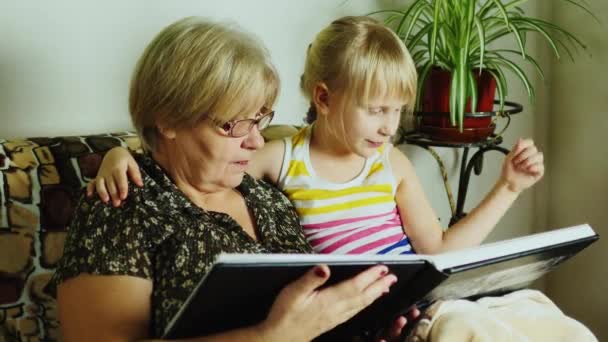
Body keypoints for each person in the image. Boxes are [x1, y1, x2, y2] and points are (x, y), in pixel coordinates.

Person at [49, 17, 413, 342]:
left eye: (259, 120)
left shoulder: (271, 201)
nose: (255, 140)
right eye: (233, 124)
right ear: (169, 119)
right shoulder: (123, 204)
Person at [91, 16, 544, 256]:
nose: (390, 126)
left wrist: (507, 188)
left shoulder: (391, 164)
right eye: (376, 110)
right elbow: (171, 147)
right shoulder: (283, 158)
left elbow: (439, 250)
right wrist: (118, 152)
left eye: (398, 111)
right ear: (324, 98)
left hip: (413, 303)